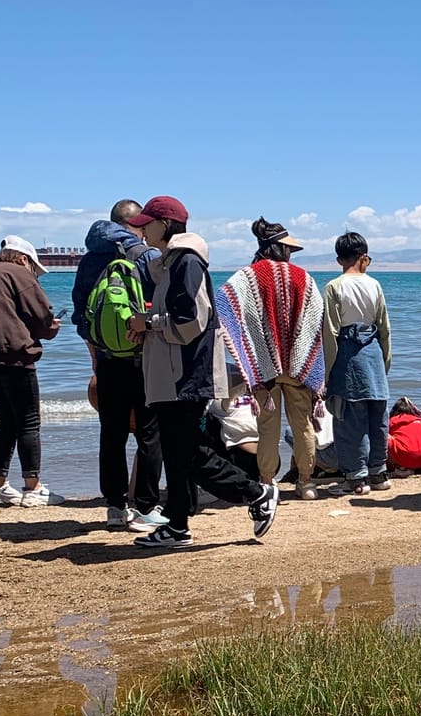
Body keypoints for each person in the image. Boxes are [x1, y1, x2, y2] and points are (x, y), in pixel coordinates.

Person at [126, 197, 278, 549]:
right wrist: (149, 324)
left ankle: (256, 494)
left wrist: (146, 322)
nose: (142, 230)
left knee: (188, 453)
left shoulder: (187, 262)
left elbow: (192, 322)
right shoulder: (174, 263)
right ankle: (177, 524)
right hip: (175, 375)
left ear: (166, 225)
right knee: (180, 452)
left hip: (185, 376)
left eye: (148, 224)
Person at [217, 218, 326, 500]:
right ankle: (306, 482)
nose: (290, 253)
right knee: (302, 423)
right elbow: (315, 321)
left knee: (267, 427)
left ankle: (267, 482)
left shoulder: (246, 278)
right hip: (297, 366)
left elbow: (223, 303)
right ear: (280, 248)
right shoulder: (304, 278)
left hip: (263, 369)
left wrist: (248, 346)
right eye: (288, 248)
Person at [75, 200, 165, 530]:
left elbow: (81, 316)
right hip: (144, 358)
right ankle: (145, 507)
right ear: (138, 224)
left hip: (107, 360)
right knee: (149, 433)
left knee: (111, 434)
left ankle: (114, 507)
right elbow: (159, 309)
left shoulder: (89, 260)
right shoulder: (147, 255)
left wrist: (97, 354)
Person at [0, 235, 61, 506]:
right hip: (16, 358)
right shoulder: (18, 274)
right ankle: (33, 488)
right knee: (29, 422)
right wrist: (52, 327)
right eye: (34, 267)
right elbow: (42, 317)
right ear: (23, 259)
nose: (34, 273)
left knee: (8, 423)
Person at [323, 231, 393, 495]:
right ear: (363, 257)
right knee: (378, 417)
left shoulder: (334, 287)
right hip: (373, 353)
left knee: (349, 418)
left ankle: (356, 477)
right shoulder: (374, 285)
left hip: (348, 356)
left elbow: (330, 332)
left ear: (339, 258)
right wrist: (385, 361)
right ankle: (379, 472)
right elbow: (384, 327)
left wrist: (327, 370)